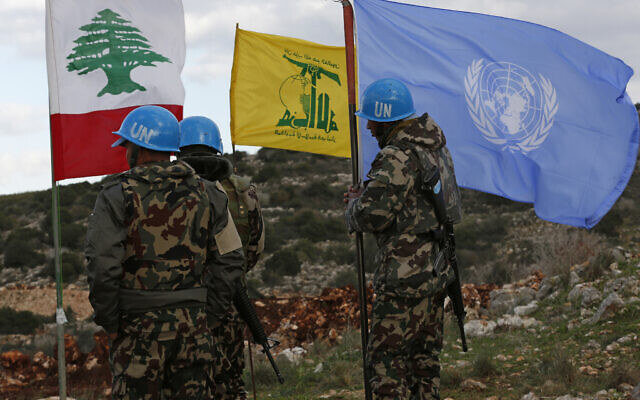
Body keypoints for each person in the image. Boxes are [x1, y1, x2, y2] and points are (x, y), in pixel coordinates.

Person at [85, 106, 245, 400]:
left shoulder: (116, 195)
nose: (125, 151)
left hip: (137, 333)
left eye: (127, 145)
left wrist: (110, 322)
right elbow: (232, 258)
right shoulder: (210, 193)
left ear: (139, 147)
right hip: (194, 330)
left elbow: (102, 266)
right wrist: (208, 317)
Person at [344, 79, 462, 399]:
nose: (368, 127)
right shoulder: (436, 150)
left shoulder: (397, 156)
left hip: (403, 279)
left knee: (386, 363)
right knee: (424, 363)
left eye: (372, 120)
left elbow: (372, 216)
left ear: (386, 119)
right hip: (437, 271)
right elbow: (436, 207)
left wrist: (354, 207)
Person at [178, 116, 265, 400]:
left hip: (181, 302)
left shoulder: (169, 187)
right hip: (230, 297)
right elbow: (253, 249)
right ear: (218, 148)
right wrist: (230, 277)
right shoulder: (243, 191)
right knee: (228, 380)